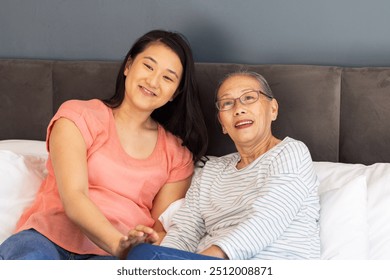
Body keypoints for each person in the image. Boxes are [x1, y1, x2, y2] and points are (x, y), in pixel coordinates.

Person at [0, 29, 208, 260]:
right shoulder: (77, 116)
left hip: (112, 257)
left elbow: (162, 229)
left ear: (174, 93)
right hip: (46, 238)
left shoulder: (178, 155)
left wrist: (146, 240)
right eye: (148, 66)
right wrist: (117, 244)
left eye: (167, 77)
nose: (153, 81)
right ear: (128, 66)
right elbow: (74, 197)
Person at [125, 70, 320, 260]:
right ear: (222, 123)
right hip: (206, 267)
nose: (239, 109)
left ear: (273, 109)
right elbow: (185, 231)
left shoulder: (291, 152)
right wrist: (167, 259)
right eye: (227, 103)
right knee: (139, 255)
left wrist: (195, 267)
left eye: (249, 98)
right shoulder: (211, 171)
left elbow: (268, 220)